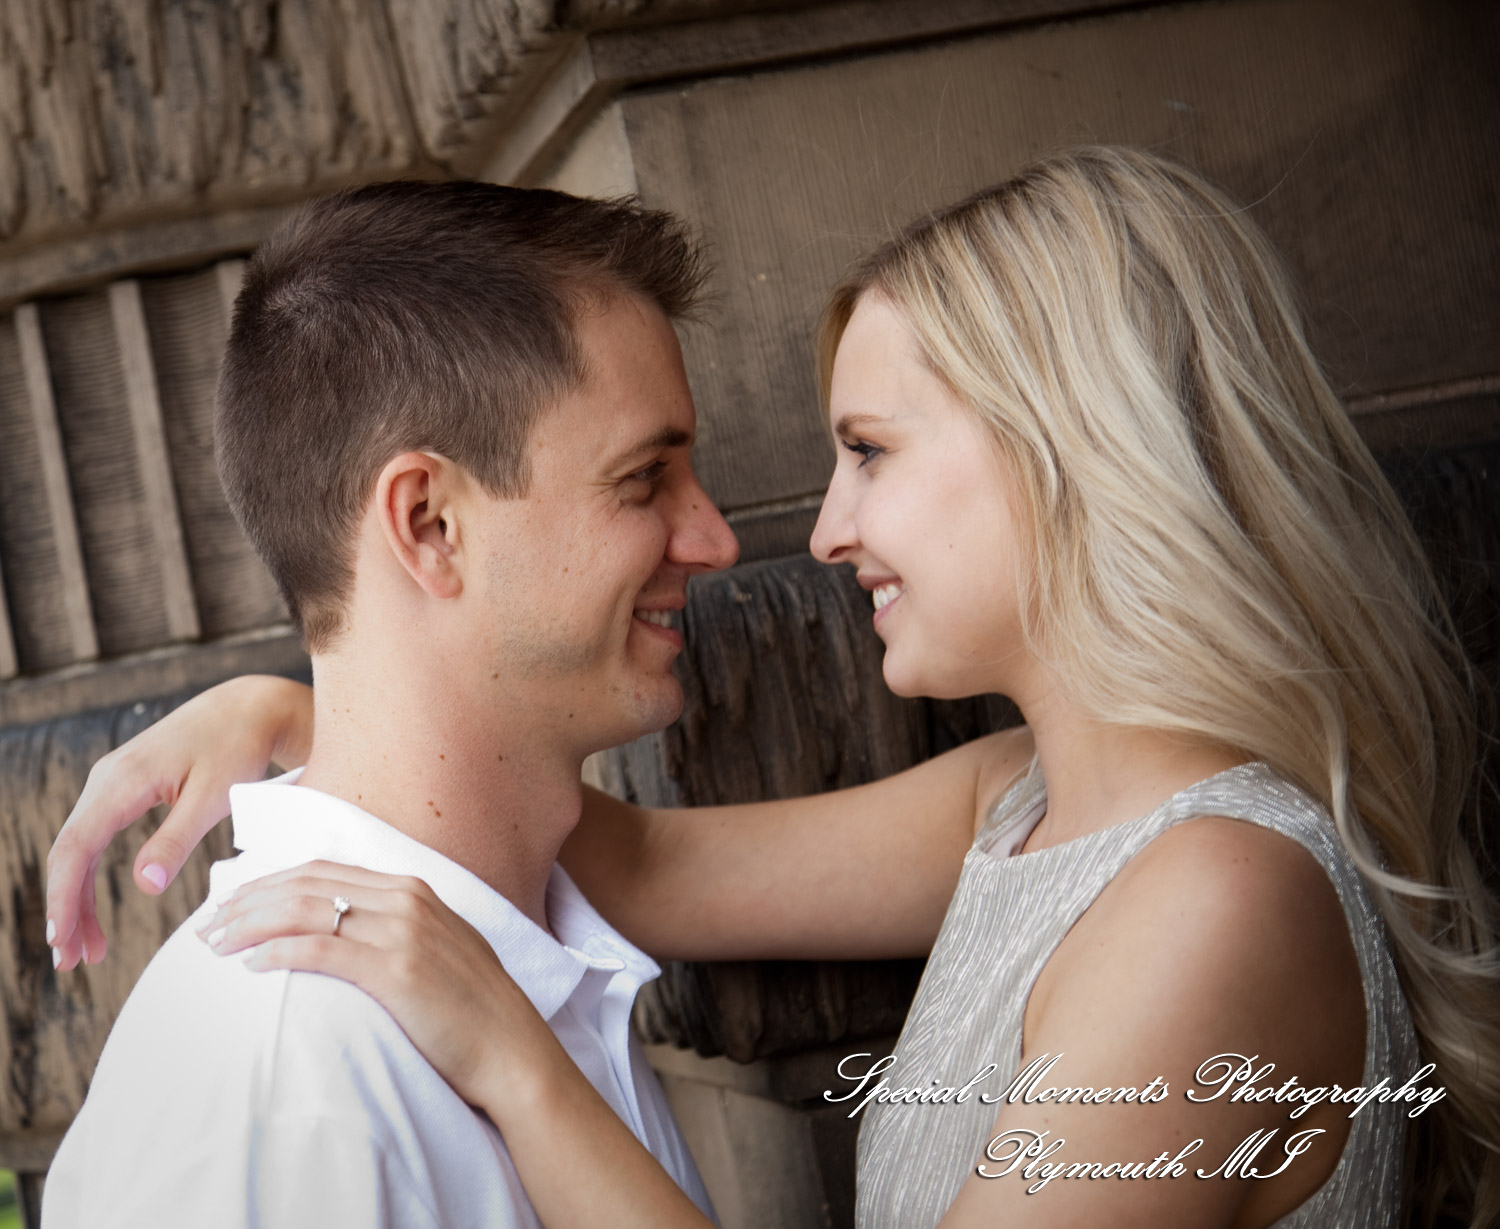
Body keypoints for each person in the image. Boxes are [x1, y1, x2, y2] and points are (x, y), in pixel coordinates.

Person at [46, 149, 1500, 1228]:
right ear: (426, 524)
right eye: (646, 478)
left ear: (1073, 453)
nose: (812, 530)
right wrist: (311, 703)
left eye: (870, 449)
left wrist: (518, 1064)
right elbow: (634, 859)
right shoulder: (1024, 805)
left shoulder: (1215, 897)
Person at [40, 180, 737, 1228]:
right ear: (430, 524)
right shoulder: (286, 1080)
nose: (716, 539)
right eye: (643, 479)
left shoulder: (522, 943)